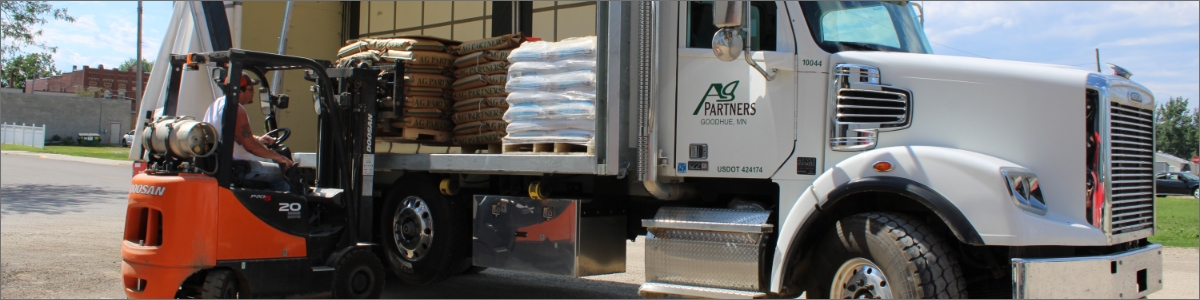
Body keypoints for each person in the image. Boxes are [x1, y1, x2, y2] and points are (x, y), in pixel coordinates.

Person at [202, 73, 295, 192]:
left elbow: (234, 135)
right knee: (280, 172)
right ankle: (286, 207)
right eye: (250, 89)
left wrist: (258, 139)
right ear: (240, 91)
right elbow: (250, 147)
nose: (253, 93)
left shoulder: (217, 104)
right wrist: (278, 157)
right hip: (236, 167)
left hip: (221, 165)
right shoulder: (236, 109)